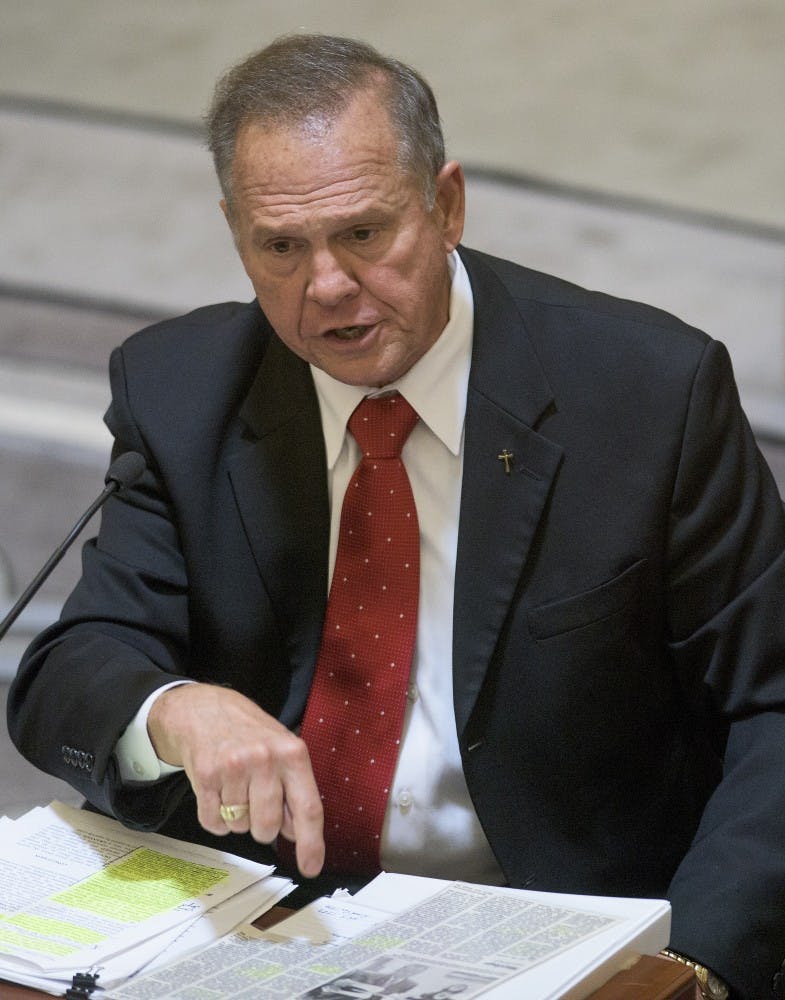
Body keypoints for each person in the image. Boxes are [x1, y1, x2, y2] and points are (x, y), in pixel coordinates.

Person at [7, 32, 785, 1000]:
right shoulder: (181, 391)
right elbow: (70, 671)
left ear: (445, 204)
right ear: (232, 230)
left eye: (363, 234)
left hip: (570, 936)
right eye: (279, 247)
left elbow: (771, 705)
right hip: (273, 928)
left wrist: (690, 964)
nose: (324, 286)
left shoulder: (645, 395)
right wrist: (173, 711)